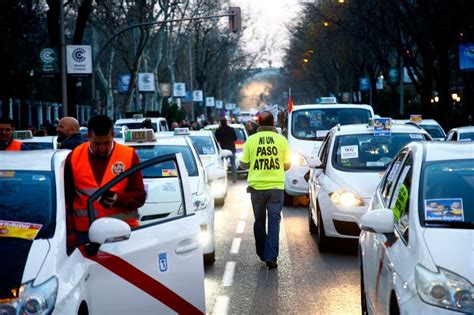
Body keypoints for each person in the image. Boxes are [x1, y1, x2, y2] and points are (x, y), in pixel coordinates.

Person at [64, 115, 146, 246]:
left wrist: (117, 198)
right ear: (88, 137)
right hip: (85, 233)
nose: (102, 148)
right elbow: (66, 199)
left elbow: (140, 196)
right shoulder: (73, 157)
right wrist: (70, 233)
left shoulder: (129, 155)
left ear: (113, 135)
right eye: (97, 143)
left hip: (121, 231)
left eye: (106, 143)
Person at [239, 111, 291, 269]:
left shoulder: (251, 140)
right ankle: (271, 257)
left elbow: (243, 164)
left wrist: (255, 162)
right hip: (276, 188)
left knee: (259, 222)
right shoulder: (282, 140)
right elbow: (287, 165)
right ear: (273, 123)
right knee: (274, 223)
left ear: (259, 124)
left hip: (257, 189)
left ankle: (262, 253)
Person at [215, 118, 238, 183]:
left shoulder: (219, 130)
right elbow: (235, 138)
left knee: (222, 164)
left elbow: (217, 139)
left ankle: (223, 178)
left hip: (223, 150)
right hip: (231, 149)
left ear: (220, 123)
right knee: (233, 164)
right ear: (226, 122)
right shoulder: (231, 129)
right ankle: (234, 178)